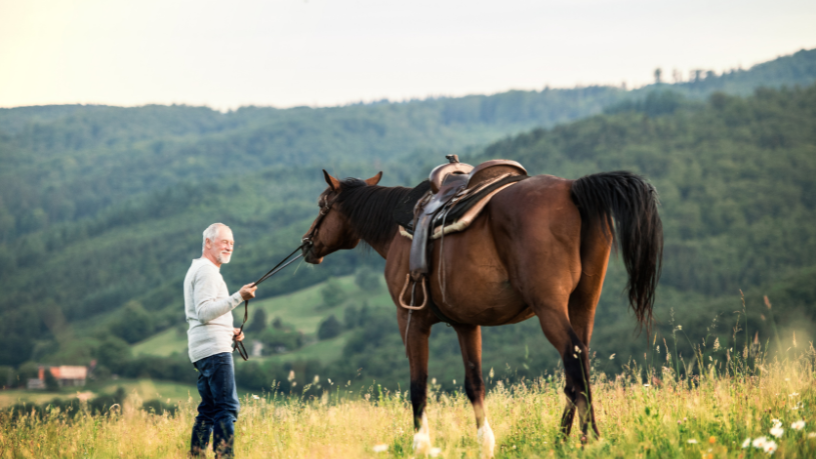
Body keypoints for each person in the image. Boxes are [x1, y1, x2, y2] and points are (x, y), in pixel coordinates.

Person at [185, 223, 257, 458]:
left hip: (204, 349)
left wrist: (229, 330)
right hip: (214, 352)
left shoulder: (201, 269)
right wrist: (239, 296)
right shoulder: (206, 271)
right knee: (226, 407)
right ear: (208, 242)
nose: (229, 247)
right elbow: (205, 312)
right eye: (224, 242)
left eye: (232, 244)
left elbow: (203, 314)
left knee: (208, 410)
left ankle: (196, 455)